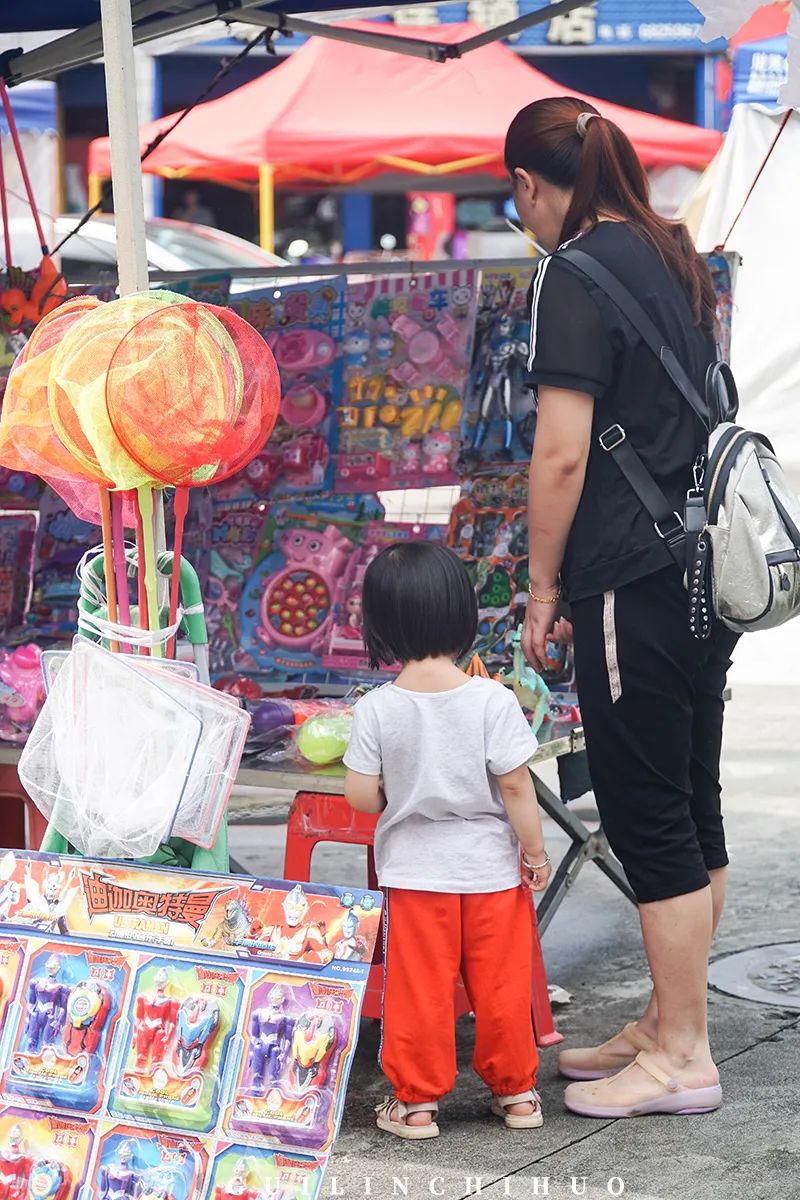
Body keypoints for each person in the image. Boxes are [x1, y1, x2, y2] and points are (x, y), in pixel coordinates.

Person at [505, 96, 738, 1119]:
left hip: (627, 579)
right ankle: (666, 1018)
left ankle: (682, 1053)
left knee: (645, 816)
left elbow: (560, 450)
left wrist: (542, 588)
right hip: (702, 571)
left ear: (526, 184)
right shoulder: (674, 248)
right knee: (688, 804)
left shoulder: (572, 270)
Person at [343, 542, 551, 1140]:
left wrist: (395, 797)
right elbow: (515, 786)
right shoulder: (492, 699)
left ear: (378, 624)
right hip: (491, 872)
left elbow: (361, 795)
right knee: (503, 984)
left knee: (420, 990)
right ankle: (517, 1094)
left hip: (415, 875)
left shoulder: (377, 709)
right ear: (463, 615)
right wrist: (534, 855)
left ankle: (416, 1104)